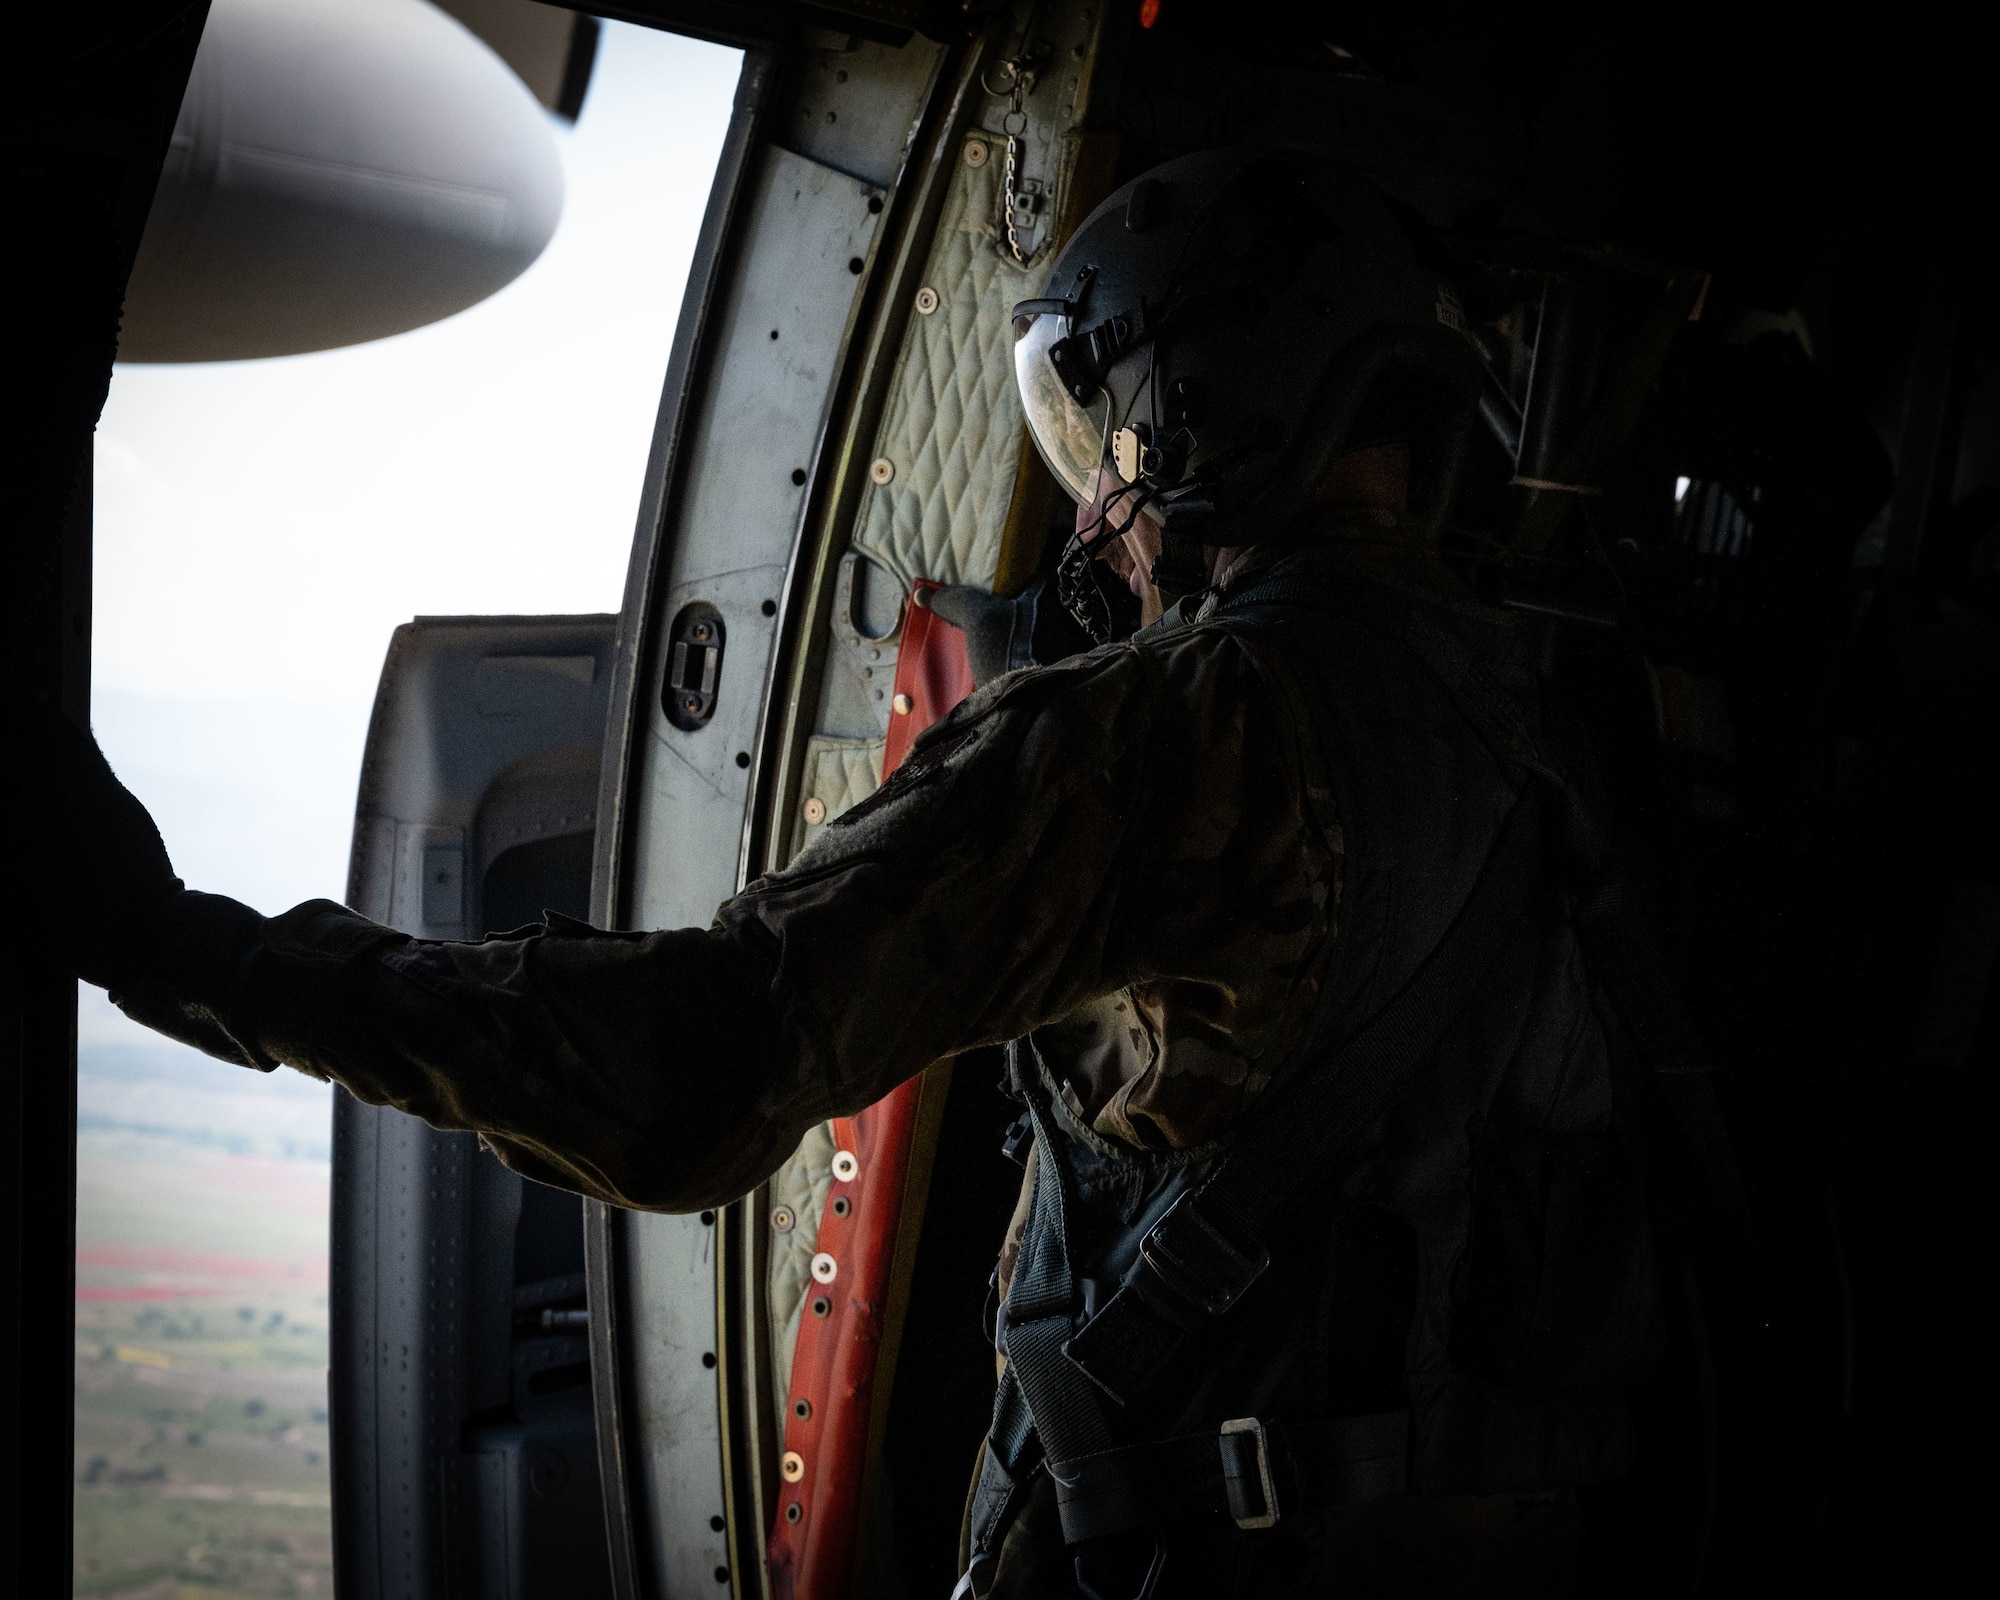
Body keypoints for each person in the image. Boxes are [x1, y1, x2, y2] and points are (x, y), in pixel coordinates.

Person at [47, 150, 1674, 1598]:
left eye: (1103, 438)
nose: (1097, 509)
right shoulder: (1573, 707)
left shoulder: (1167, 737)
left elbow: (701, 1063)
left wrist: (201, 958)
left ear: (1203, 404)